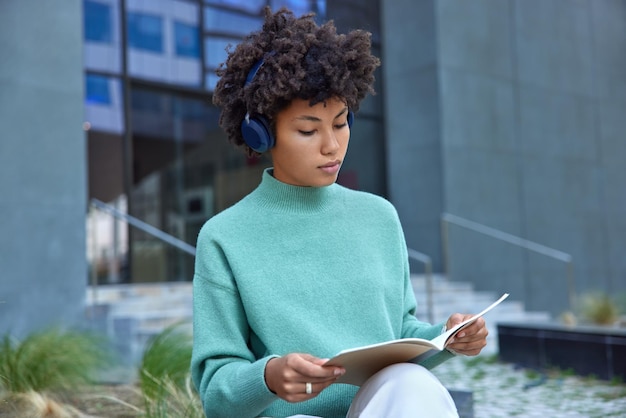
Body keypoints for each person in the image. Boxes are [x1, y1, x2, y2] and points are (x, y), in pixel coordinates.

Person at [191, 7, 488, 418]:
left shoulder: (379, 217)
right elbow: (216, 390)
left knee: (415, 383)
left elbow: (401, 336)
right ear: (260, 134)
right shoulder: (224, 237)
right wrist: (270, 376)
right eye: (309, 130)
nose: (332, 145)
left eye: (342, 122)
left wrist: (447, 339)